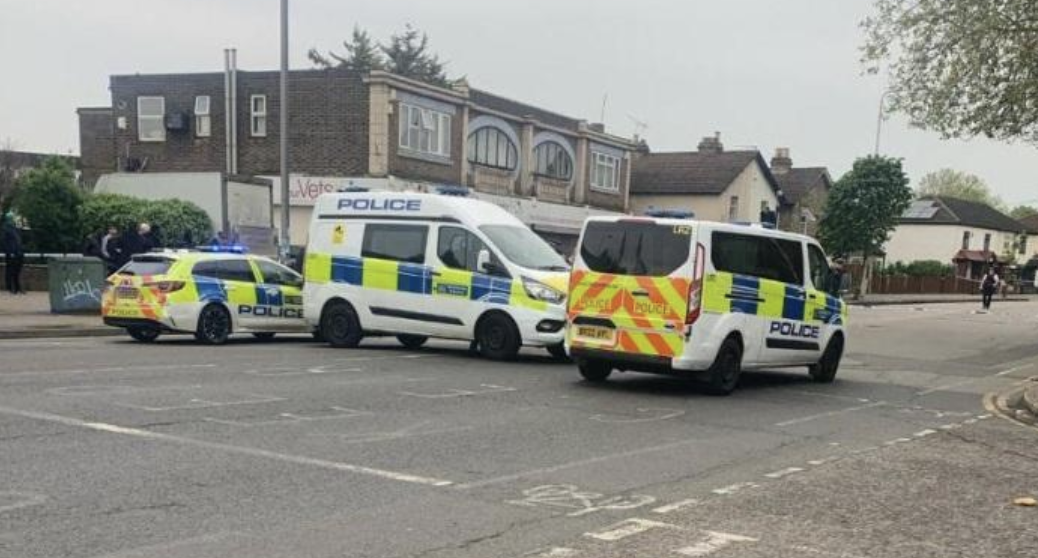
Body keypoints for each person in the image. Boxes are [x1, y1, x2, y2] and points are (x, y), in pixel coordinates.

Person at [2, 212, 25, 295]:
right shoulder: (6, 229)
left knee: (17, 271)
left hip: (18, 253)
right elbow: (5, 242)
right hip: (11, 254)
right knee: (11, 271)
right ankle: (11, 288)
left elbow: (19, 241)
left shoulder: (15, 229)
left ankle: (17, 287)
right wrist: (9, 252)